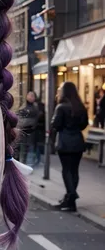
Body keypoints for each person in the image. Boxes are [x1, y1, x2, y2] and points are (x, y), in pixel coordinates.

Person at [51, 81, 89, 212]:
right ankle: (70, 200)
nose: (59, 91)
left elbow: (56, 124)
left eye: (60, 89)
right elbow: (84, 125)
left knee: (66, 170)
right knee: (74, 170)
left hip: (65, 142)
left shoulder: (61, 107)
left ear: (65, 92)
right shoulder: (80, 107)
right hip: (78, 141)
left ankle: (71, 196)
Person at [16, 91, 39, 165]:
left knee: (30, 148)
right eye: (29, 95)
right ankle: (22, 163)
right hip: (23, 131)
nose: (30, 97)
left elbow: (35, 119)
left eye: (32, 96)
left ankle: (28, 163)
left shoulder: (36, 108)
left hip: (31, 132)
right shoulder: (22, 107)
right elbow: (19, 117)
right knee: (23, 148)